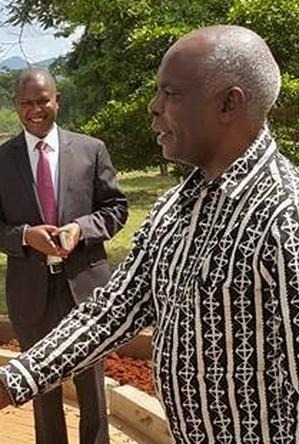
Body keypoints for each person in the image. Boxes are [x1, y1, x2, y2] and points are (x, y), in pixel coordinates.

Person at [0, 25, 299, 443]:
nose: (153, 108)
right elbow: (114, 311)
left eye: (170, 94)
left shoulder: (294, 222)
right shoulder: (176, 209)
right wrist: (15, 380)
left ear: (229, 103)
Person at [0, 68, 128, 444]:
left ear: (57, 100)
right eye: (26, 103)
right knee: (41, 385)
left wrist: (81, 229)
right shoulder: (0, 160)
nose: (35, 110)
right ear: (15, 106)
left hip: (85, 288)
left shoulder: (91, 149)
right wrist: (24, 236)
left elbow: (116, 207)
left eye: (42, 101)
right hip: (30, 292)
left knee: (92, 385)